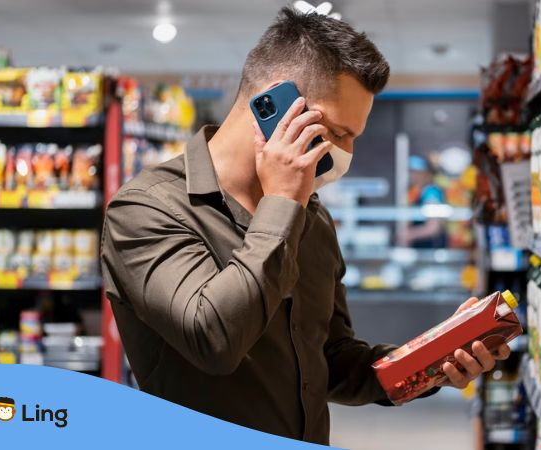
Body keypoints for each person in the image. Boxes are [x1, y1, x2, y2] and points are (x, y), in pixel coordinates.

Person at [101, 7, 510, 445]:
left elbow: (328, 360)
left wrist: (427, 363)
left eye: (353, 136)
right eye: (337, 131)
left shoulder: (311, 218)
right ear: (272, 107)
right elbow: (213, 339)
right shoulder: (146, 209)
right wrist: (281, 204)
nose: (345, 153)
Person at [400, 154, 448, 248]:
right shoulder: (420, 192)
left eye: (417, 172)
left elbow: (433, 228)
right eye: (411, 172)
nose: (413, 176)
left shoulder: (431, 193)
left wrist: (409, 234)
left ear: (426, 173)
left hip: (431, 251)